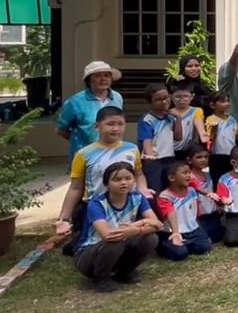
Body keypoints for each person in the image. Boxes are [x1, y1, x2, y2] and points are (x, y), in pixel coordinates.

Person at [55, 106, 149, 257]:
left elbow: (139, 174)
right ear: (97, 126)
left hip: (126, 206)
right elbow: (75, 188)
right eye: (110, 124)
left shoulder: (132, 149)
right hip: (95, 207)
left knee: (128, 241)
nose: (116, 128)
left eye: (120, 124)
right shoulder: (84, 154)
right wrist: (64, 218)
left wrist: (143, 189)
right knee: (93, 245)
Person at [72, 161, 162, 292]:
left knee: (151, 238)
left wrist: (136, 230)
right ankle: (101, 279)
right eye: (117, 179)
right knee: (116, 241)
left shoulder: (138, 197)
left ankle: (124, 272)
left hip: (120, 245)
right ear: (107, 184)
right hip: (90, 254)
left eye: (128, 178)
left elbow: (156, 224)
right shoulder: (96, 204)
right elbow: (108, 235)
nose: (123, 183)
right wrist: (139, 224)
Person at [58, 61, 123, 165]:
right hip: (86, 156)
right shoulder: (75, 102)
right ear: (89, 80)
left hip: (112, 153)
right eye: (97, 76)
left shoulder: (117, 98)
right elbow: (61, 130)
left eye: (107, 75)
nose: (103, 79)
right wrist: (81, 141)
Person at [155, 162, 218, 261]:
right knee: (180, 254)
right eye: (185, 173)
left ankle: (186, 245)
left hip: (193, 230)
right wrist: (176, 232)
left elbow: (195, 211)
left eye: (189, 172)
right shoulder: (165, 196)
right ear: (171, 178)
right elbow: (170, 213)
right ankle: (164, 245)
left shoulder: (192, 191)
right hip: (173, 232)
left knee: (205, 247)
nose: (189, 175)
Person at [138, 83, 181, 195]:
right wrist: (149, 156)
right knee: (155, 189)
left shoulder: (170, 117)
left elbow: (178, 137)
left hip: (169, 158)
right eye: (158, 99)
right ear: (150, 101)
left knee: (168, 189)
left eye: (166, 97)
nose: (164, 101)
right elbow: (146, 139)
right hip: (154, 160)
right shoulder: (148, 119)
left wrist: (179, 118)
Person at [186, 144, 224, 243]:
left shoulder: (208, 174)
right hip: (198, 216)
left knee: (218, 236)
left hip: (211, 213)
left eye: (206, 157)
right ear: (189, 160)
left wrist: (218, 206)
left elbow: (212, 192)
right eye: (199, 157)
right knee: (204, 238)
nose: (203, 160)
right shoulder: (188, 177)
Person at [204, 92, 238, 187]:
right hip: (217, 155)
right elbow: (209, 138)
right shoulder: (210, 119)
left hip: (231, 155)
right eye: (223, 101)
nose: (227, 104)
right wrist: (214, 130)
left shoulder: (232, 119)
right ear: (212, 105)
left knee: (231, 181)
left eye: (228, 101)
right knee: (217, 180)